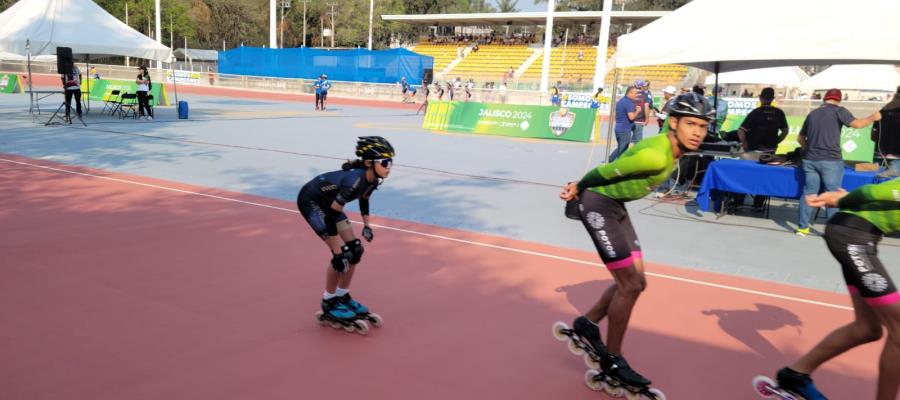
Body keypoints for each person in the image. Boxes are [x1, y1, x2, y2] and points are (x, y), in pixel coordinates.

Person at [559, 93, 714, 392]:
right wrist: (578, 186)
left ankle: (587, 324)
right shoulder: (655, 155)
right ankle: (613, 359)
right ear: (674, 123)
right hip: (598, 205)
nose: (697, 132)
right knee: (629, 284)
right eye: (691, 124)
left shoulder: (673, 150)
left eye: (703, 126)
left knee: (637, 282)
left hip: (616, 206)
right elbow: (606, 170)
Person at [769, 178, 900, 400]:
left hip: (859, 239)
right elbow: (871, 192)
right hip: (852, 237)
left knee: (867, 329)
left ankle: (796, 375)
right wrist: (841, 199)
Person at [296, 136, 395, 325]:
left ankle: (342, 296)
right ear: (369, 163)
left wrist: (367, 225)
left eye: (390, 162)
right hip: (312, 201)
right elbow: (331, 218)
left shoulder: (373, 179)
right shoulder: (353, 181)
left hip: (330, 204)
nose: (389, 166)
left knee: (356, 251)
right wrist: (336, 250)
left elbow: (364, 199)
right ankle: (329, 301)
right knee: (342, 256)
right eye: (385, 162)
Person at [796, 89, 882, 236]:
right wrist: (873, 117)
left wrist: (809, 149)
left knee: (809, 193)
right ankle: (833, 231)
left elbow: (800, 138)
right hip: (830, 160)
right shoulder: (839, 110)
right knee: (832, 195)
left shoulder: (813, 113)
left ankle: (802, 228)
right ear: (839, 100)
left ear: (825, 98)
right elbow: (858, 125)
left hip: (810, 160)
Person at [872, 86, 900, 176]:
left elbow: (873, 135)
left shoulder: (883, 108)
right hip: (897, 157)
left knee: (876, 183)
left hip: (880, 154)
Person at [609, 86, 641, 162]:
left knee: (620, 148)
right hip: (624, 130)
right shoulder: (628, 103)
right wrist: (637, 111)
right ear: (630, 93)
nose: (636, 96)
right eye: (635, 94)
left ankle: (610, 160)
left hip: (619, 128)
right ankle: (615, 166)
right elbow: (631, 117)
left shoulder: (621, 101)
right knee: (622, 151)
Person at [631, 80, 652, 146]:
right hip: (639, 121)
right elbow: (646, 107)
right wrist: (647, 119)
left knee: (627, 141)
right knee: (638, 142)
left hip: (629, 119)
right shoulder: (645, 95)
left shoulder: (630, 94)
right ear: (642, 86)